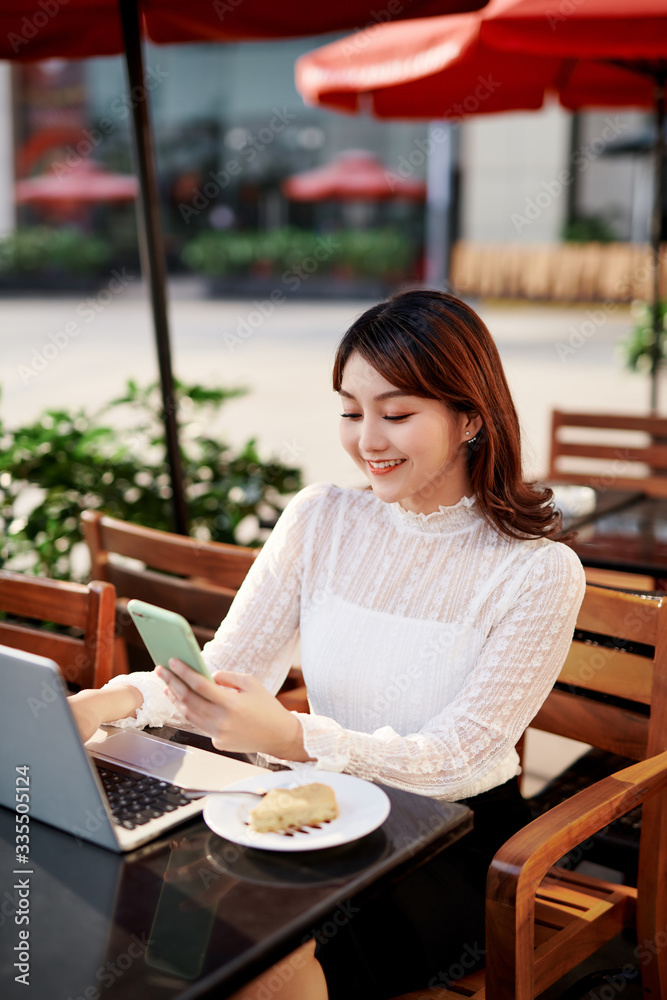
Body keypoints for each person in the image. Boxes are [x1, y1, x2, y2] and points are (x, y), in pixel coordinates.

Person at [69, 290, 586, 1000]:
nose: (366, 440)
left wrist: (290, 737)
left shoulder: (537, 571)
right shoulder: (321, 518)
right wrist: (109, 700)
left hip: (450, 841)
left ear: (469, 417)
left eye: (396, 414)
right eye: (350, 411)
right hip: (319, 808)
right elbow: (227, 666)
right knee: (154, 916)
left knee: (257, 958)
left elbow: (456, 759)